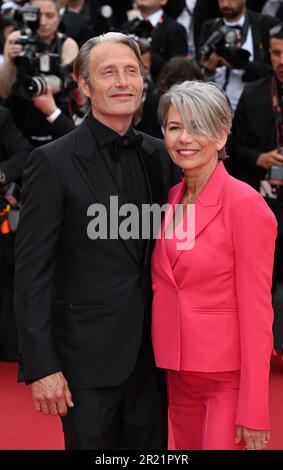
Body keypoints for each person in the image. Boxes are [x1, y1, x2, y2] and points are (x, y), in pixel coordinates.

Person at [14, 32, 180, 450]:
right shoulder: (51, 163)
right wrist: (41, 367)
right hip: (84, 363)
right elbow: (32, 273)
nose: (124, 81)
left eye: (132, 71)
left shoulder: (162, 156)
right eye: (109, 72)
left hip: (154, 359)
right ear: (84, 85)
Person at [151, 80, 277, 450]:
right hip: (176, 372)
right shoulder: (170, 198)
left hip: (227, 379)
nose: (184, 138)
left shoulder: (245, 205)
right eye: (174, 128)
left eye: (198, 127)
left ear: (222, 136)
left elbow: (258, 311)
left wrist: (255, 408)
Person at [229, 23, 283, 352]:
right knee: (260, 280)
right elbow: (233, 148)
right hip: (263, 204)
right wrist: (260, 158)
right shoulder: (253, 93)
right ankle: (259, 344)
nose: (282, 60)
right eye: (277, 53)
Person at [198, 0, 279, 113]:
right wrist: (208, 72)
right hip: (216, 110)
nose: (226, 4)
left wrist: (243, 65)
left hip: (256, 109)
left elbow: (276, 71)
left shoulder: (265, 25)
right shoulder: (209, 27)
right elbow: (199, 74)